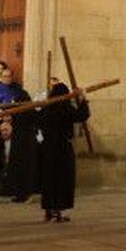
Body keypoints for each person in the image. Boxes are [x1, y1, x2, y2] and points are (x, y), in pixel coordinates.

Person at [38, 82, 89, 222]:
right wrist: (83, 99)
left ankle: (49, 211)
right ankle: (57, 211)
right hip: (62, 148)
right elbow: (82, 115)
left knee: (49, 178)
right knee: (61, 179)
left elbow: (38, 120)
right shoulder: (65, 108)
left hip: (48, 148)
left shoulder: (46, 108)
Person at [0, 84, 39, 203]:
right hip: (18, 139)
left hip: (26, 140)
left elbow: (32, 119)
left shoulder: (27, 109)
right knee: (17, 167)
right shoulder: (16, 108)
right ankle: (18, 193)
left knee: (26, 168)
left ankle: (26, 194)